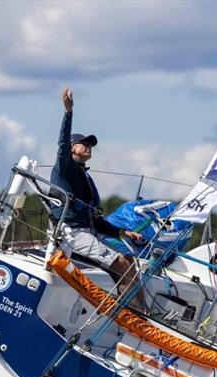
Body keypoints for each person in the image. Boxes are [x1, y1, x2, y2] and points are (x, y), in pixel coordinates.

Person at [50, 87, 147, 310]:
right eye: (84, 143)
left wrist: (121, 232)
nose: (89, 146)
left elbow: (94, 218)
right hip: (73, 234)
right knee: (122, 263)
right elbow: (62, 147)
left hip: (88, 232)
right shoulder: (66, 169)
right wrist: (68, 113)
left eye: (91, 144)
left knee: (129, 261)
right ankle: (138, 315)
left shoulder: (83, 174)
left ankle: (141, 312)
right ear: (73, 147)